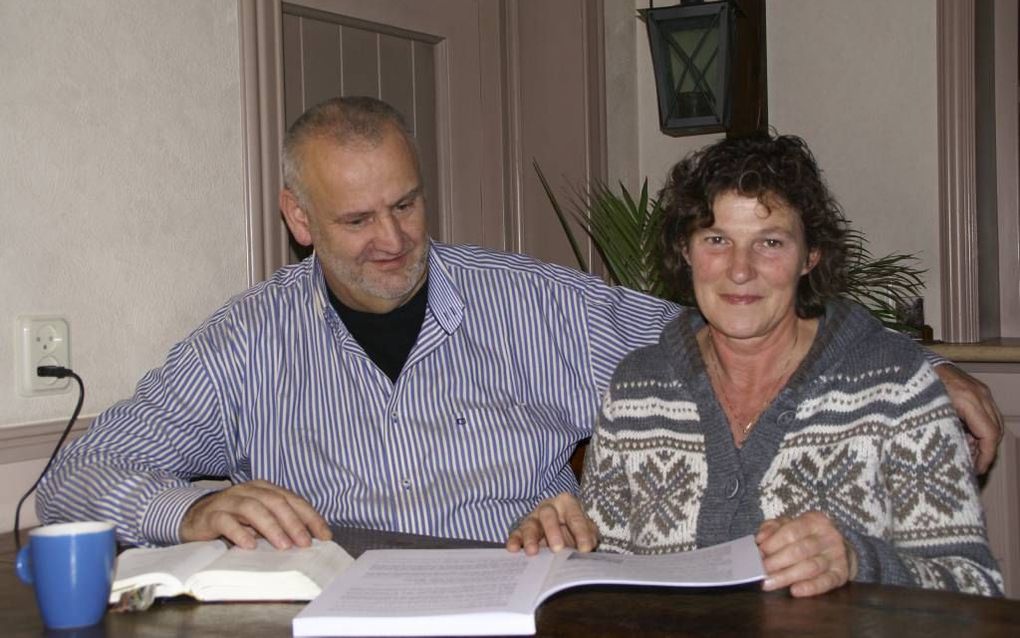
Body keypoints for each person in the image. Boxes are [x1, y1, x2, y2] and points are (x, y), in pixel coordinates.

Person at [36, 98, 1002, 552]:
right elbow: (73, 481)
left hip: (517, 611)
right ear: (298, 219)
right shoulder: (245, 342)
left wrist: (904, 357)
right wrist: (190, 510)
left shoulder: (537, 305)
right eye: (356, 220)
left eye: (407, 206)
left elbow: (732, 310)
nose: (391, 241)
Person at [507, 133, 1003, 598]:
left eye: (770, 242)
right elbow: (609, 574)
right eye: (716, 240)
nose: (740, 270)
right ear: (686, 251)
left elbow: (976, 590)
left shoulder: (897, 388)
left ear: (810, 256)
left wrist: (859, 562)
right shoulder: (639, 387)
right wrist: (564, 547)